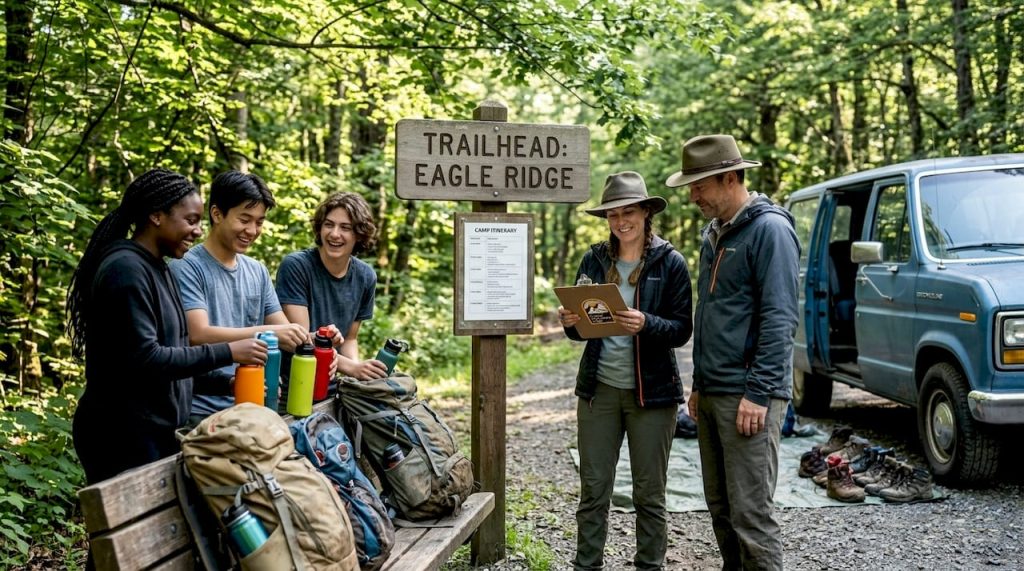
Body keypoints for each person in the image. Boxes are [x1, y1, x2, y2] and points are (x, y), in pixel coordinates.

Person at [66, 168, 267, 485]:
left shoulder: (159, 267)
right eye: (190, 220)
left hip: (155, 433)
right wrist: (229, 352)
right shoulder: (125, 270)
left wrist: (222, 383)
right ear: (156, 216)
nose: (198, 231)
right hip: (121, 436)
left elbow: (176, 354)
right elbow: (147, 360)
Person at [665, 134, 800, 570]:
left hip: (750, 396)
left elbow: (780, 319)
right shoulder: (715, 235)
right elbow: (714, 313)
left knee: (750, 514)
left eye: (699, 185)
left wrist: (760, 393)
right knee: (720, 507)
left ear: (728, 178)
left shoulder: (770, 230)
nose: (692, 195)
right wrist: (700, 385)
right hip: (715, 392)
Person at [558, 171, 693, 571]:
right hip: (599, 391)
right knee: (594, 490)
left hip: (652, 396)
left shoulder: (671, 263)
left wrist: (646, 323)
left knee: (649, 494)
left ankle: (650, 566)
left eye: (628, 212)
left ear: (646, 212)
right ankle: (587, 566)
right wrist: (569, 320)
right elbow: (580, 332)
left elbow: (682, 329)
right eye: (612, 214)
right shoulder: (594, 258)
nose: (620, 222)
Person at [169, 171, 308, 419]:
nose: (252, 230)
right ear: (217, 214)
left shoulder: (257, 271)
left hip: (252, 406)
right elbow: (197, 334)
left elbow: (285, 334)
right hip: (200, 410)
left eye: (259, 222)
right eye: (245, 219)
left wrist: (320, 341)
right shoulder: (186, 266)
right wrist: (269, 333)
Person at [276, 192, 383, 398]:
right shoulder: (297, 266)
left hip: (334, 385)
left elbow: (350, 339)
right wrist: (353, 368)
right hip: (293, 385)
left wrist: (357, 374)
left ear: (359, 234)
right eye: (329, 224)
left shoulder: (365, 276)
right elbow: (301, 340)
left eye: (345, 228)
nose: (335, 234)